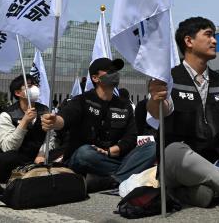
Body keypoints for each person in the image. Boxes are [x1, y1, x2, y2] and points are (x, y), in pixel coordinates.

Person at [148, 16, 219, 208]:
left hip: (216, 160)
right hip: (177, 162)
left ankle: (197, 191)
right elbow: (158, 112)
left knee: (206, 192)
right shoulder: (167, 79)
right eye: (209, 35)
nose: (215, 41)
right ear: (189, 41)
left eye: (214, 36)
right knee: (176, 152)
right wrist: (155, 98)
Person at [41, 58, 156, 192]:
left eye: (116, 71)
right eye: (110, 71)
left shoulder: (125, 106)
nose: (115, 74)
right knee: (85, 153)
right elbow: (65, 117)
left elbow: (131, 137)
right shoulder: (82, 100)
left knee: (152, 148)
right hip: (88, 157)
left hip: (113, 158)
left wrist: (111, 151)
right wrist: (55, 122)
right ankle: (125, 174)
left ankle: (112, 180)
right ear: (95, 78)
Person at [0, 75, 52, 183]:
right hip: (18, 158)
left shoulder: (44, 110)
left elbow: (51, 137)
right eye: (29, 86)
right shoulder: (6, 115)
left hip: (39, 156)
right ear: (18, 93)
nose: (35, 88)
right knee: (8, 158)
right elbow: (8, 147)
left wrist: (42, 153)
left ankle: (36, 170)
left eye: (36, 85)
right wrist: (24, 121)